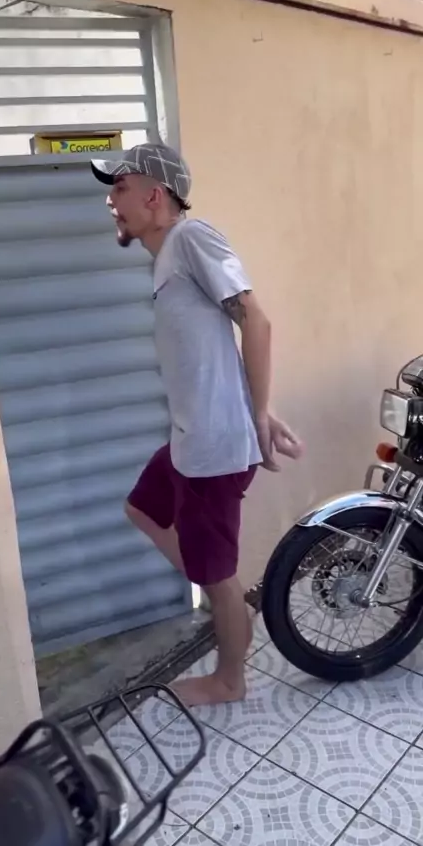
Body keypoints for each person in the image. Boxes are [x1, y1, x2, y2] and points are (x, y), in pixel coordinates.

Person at [91, 143, 303, 707]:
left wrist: (258, 415)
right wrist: (256, 406)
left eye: (120, 188)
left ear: (153, 196)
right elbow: (215, 351)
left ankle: (229, 677)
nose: (111, 201)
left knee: (216, 573)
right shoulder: (170, 261)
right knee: (142, 508)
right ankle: (222, 591)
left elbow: (254, 319)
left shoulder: (191, 238)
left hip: (213, 450)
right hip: (193, 438)